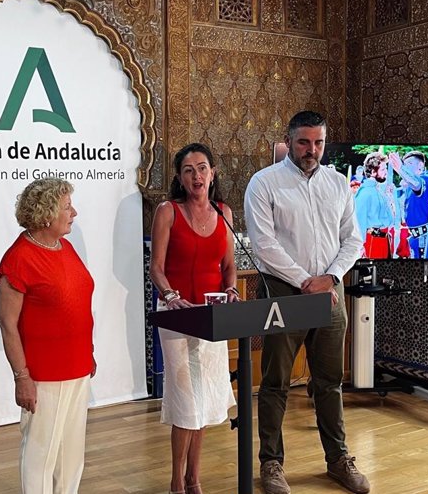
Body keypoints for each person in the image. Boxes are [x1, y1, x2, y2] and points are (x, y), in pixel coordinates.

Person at [244, 111, 368, 494]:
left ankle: (338, 459)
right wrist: (304, 280)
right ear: (289, 140)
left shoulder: (338, 183)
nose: (311, 150)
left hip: (330, 291)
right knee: (276, 382)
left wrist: (329, 278)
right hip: (284, 291)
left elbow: (354, 239)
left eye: (318, 143)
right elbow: (264, 245)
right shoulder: (264, 183)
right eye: (303, 142)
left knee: (329, 381)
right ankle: (272, 464)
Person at [0, 178, 95, 494]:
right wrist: (21, 377)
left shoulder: (65, 247)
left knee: (71, 458)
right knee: (40, 456)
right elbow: (7, 325)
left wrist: (88, 352)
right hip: (43, 376)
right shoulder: (19, 259)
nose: (74, 213)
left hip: (77, 368)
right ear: (47, 213)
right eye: (67, 207)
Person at [149, 142, 237, 494]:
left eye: (202, 168)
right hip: (175, 315)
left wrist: (231, 290)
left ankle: (194, 479)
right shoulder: (167, 211)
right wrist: (170, 297)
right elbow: (156, 267)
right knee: (187, 399)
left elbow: (229, 267)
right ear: (180, 178)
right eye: (188, 170)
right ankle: (176, 481)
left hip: (212, 315)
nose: (196, 175)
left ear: (213, 173)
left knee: (206, 398)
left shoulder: (225, 212)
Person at [387, 151, 428, 258]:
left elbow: (416, 183)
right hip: (415, 239)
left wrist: (400, 168)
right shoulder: (409, 188)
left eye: (409, 164)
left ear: (420, 166)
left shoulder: (427, 180)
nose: (406, 166)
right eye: (405, 164)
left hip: (425, 241)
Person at [354, 152, 394, 259]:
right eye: (383, 169)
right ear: (372, 171)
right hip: (372, 243)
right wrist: (360, 247)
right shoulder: (365, 193)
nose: (386, 172)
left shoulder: (378, 190)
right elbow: (358, 221)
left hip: (383, 240)